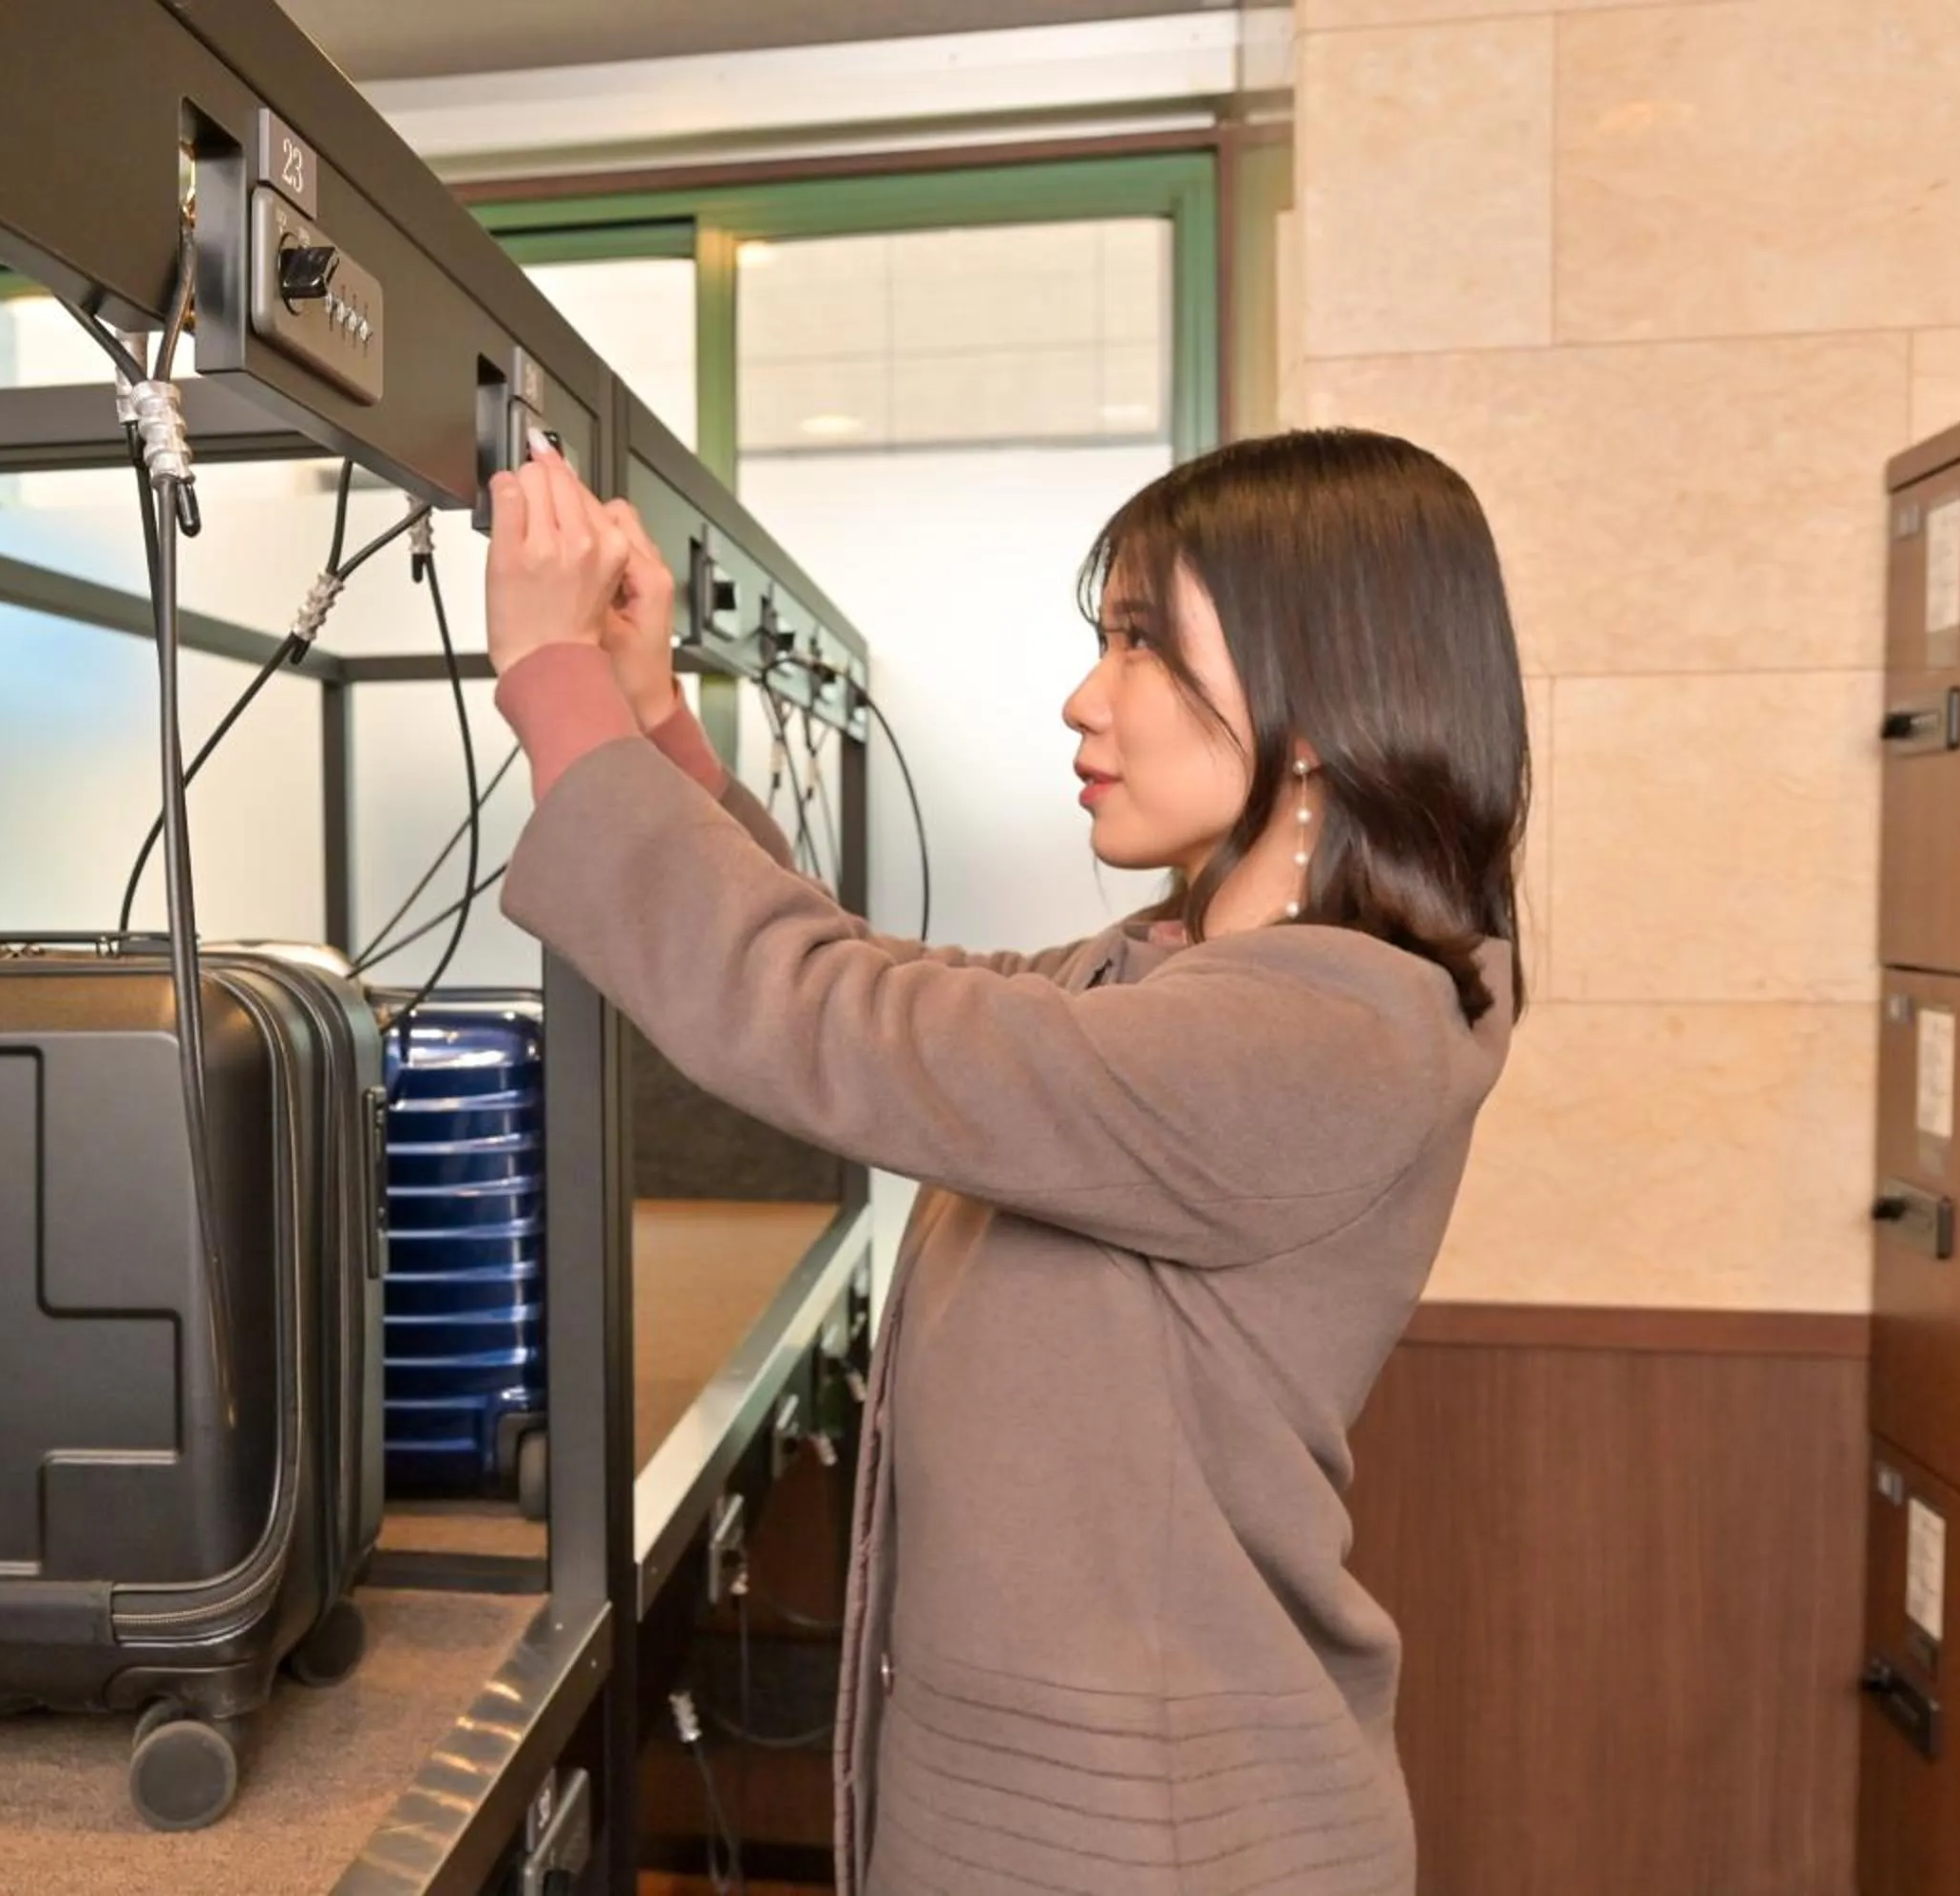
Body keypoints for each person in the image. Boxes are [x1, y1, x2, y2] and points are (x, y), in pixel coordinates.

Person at [482, 427, 1527, 1896]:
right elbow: (887, 991)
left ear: (1320, 695)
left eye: (1143, 646)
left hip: (1159, 1845)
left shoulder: (1321, 1038)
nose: (1084, 697)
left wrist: (554, 687)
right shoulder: (1161, 987)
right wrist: (653, 721)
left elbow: (842, 1025)